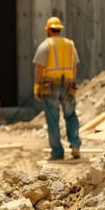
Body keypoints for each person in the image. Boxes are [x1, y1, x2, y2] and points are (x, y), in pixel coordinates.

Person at [32, 16, 81, 160]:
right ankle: (75, 145)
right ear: (60, 29)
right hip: (68, 84)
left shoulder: (45, 45)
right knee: (71, 115)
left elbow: (39, 68)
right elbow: (74, 66)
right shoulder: (70, 44)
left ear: (48, 30)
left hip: (50, 86)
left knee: (53, 119)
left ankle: (57, 152)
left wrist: (37, 86)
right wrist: (72, 81)